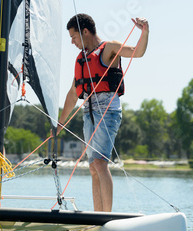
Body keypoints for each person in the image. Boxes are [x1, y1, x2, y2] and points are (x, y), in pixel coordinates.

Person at [57, 14, 149, 212]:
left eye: (74, 37)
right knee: (93, 167)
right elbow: (73, 94)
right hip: (88, 114)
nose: (72, 42)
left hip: (108, 112)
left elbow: (137, 52)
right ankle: (97, 217)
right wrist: (59, 124)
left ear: (86, 32)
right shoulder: (81, 60)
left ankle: (105, 217)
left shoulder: (109, 48)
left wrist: (145, 32)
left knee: (100, 163)